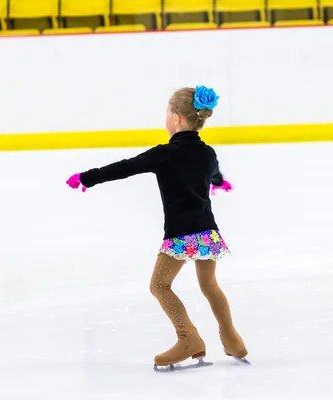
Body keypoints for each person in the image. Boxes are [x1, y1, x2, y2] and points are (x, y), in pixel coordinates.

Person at [65, 86, 247, 368]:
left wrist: (87, 177)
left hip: (181, 235)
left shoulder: (166, 153)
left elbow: (126, 166)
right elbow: (212, 170)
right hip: (208, 233)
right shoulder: (207, 152)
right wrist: (218, 181)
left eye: (166, 113)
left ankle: (188, 338)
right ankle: (232, 339)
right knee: (209, 285)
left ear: (176, 118)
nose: (165, 118)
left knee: (159, 285)